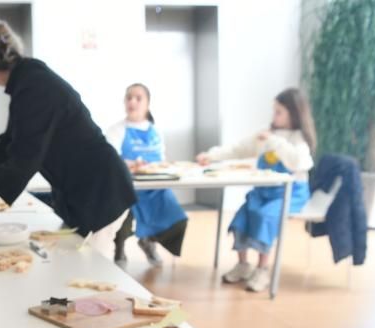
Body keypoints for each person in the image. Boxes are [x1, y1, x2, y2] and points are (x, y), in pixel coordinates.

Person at [0, 18, 136, 240]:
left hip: (100, 192)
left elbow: (20, 167)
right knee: (64, 263)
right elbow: (7, 149)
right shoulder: (28, 80)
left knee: (88, 271)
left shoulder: (33, 89)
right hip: (84, 190)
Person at [196, 88, 315, 291]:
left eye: (279, 112)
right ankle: (243, 265)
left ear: (294, 113)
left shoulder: (298, 139)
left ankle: (263, 269)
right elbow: (238, 149)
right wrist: (212, 155)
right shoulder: (265, 134)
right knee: (243, 215)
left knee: (264, 216)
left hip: (290, 193)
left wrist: (275, 142)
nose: (274, 116)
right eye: (274, 111)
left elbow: (300, 163)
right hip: (264, 191)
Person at [106, 83, 189, 268]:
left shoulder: (155, 131)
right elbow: (110, 157)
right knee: (122, 216)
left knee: (177, 218)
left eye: (138, 98)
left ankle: (148, 241)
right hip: (127, 187)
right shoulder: (116, 130)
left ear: (148, 103)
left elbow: (161, 158)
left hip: (155, 188)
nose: (132, 102)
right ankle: (119, 251)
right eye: (129, 97)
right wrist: (129, 164)